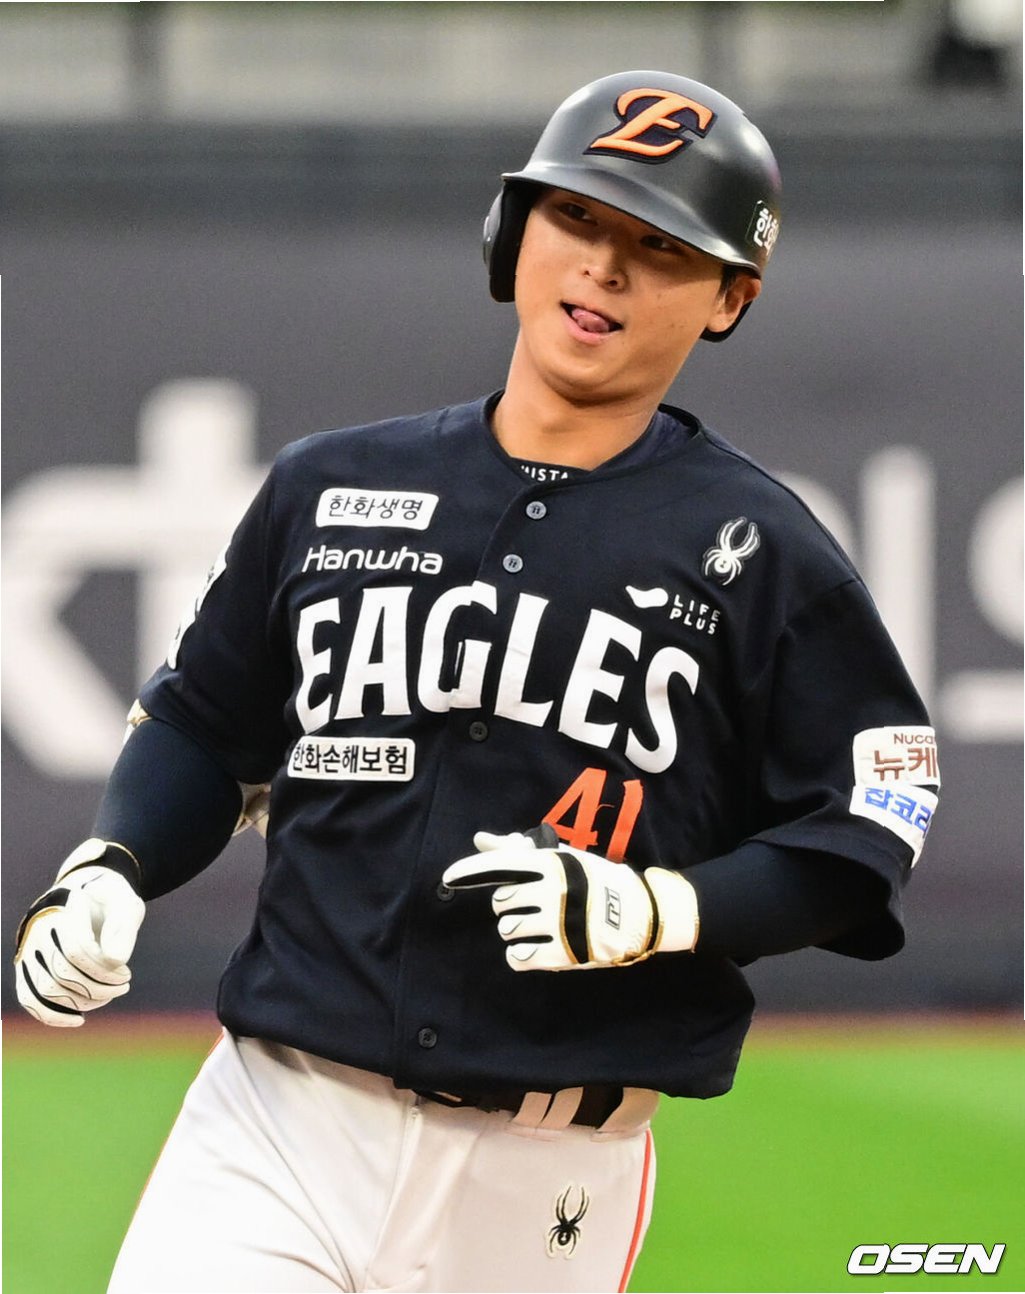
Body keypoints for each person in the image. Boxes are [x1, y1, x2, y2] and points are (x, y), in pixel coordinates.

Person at [14, 70, 940, 1294]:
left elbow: (860, 833)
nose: (603, 267)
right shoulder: (328, 486)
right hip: (278, 1126)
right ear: (510, 230)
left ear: (730, 295)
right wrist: (111, 861)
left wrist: (659, 908)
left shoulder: (768, 555)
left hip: (549, 1176)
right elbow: (202, 725)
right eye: (578, 217)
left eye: (660, 247)